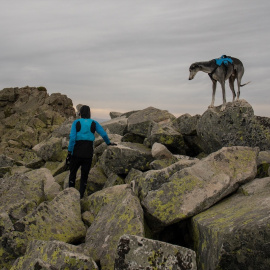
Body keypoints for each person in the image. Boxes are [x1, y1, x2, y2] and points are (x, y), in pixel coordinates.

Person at [66, 105, 116, 199]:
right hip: (88, 154)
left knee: (72, 174)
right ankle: (80, 197)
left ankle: (70, 196)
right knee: (84, 176)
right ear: (89, 113)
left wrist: (69, 152)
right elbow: (104, 134)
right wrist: (108, 143)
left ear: (80, 113)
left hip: (76, 152)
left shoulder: (76, 122)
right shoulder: (94, 122)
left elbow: (72, 138)